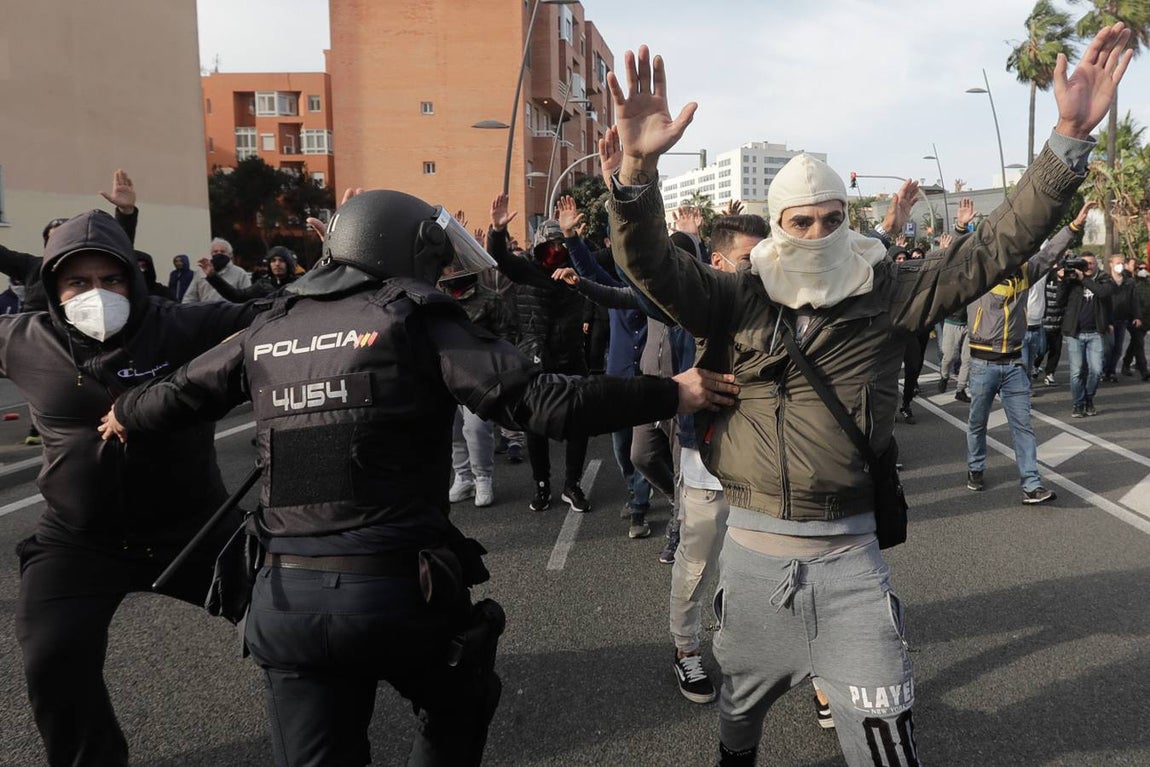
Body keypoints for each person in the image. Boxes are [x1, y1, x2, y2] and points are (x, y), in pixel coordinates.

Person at [603, 28, 1130, 765]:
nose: (817, 232)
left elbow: (995, 248)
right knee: (737, 735)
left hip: (852, 570)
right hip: (752, 573)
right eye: (800, 221)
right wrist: (634, 173)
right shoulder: (738, 297)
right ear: (778, 226)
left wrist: (1069, 138)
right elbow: (651, 265)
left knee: (890, 746)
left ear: (846, 218)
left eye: (830, 217)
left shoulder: (888, 293)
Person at [102, 189, 736, 767]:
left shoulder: (270, 325)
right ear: (406, 250)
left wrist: (122, 415)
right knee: (461, 704)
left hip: (283, 599)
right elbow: (542, 402)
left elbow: (179, 393)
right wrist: (669, 393)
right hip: (395, 591)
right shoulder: (412, 317)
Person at [5, 209, 259, 767]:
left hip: (195, 528)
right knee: (51, 658)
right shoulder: (24, 339)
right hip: (78, 540)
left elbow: (280, 313)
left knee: (299, 624)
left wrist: (346, 256)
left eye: (111, 280)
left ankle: (324, 734)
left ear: (133, 279)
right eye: (78, 282)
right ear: (54, 287)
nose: (97, 293)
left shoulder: (182, 325)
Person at [964, 201, 1091, 503]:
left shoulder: (1024, 272)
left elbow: (1048, 255)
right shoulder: (979, 273)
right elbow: (961, 257)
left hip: (1015, 364)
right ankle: (975, 467)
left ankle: (1031, 484)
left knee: (1023, 425)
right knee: (977, 422)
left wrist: (1074, 226)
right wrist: (963, 228)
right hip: (982, 362)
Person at [1059, 252, 1116, 416]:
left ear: (1096, 264)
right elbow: (1060, 301)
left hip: (1096, 333)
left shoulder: (1104, 278)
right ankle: (1078, 404)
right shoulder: (1072, 281)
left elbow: (1103, 293)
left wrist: (1083, 278)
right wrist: (1062, 281)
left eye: (1091, 263)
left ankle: (1088, 398)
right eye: (1085, 263)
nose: (1088, 266)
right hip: (1075, 333)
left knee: (1096, 371)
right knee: (1076, 372)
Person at [204, 244, 300, 302]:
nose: (277, 264)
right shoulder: (262, 285)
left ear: (288, 263)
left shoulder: (299, 283)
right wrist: (213, 277)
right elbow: (237, 296)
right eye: (273, 260)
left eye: (281, 260)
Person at [1099, 252, 1141, 381]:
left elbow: (1134, 300)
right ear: (1111, 264)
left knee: (1117, 348)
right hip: (1106, 320)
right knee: (1107, 348)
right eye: (1117, 263)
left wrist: (1137, 316)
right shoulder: (1104, 280)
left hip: (1122, 319)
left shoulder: (1129, 282)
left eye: (1122, 263)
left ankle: (1111, 372)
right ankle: (1102, 370)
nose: (1120, 266)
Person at [182, 237, 251, 303]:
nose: (219, 254)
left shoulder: (240, 274)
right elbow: (190, 297)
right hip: (206, 312)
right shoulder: (201, 273)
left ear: (230, 255)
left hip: (231, 313)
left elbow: (247, 298)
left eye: (222, 251)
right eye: (215, 252)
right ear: (211, 254)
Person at [1121, 260, 1150, 380]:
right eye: (1139, 268)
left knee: (1135, 343)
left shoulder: (1146, 282)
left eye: (1144, 268)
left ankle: (1126, 364)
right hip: (1134, 317)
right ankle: (1144, 370)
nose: (1142, 271)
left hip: (1146, 317)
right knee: (1139, 343)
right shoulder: (1128, 281)